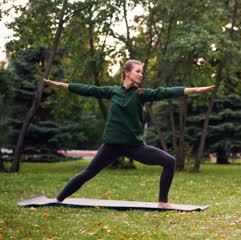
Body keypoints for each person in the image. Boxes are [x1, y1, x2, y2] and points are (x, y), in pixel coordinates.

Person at [44, 59, 215, 208]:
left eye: (142, 72)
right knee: (88, 173)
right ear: (127, 72)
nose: (141, 75)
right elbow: (89, 89)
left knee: (169, 162)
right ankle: (58, 199)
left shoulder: (140, 94)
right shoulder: (113, 91)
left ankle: (163, 201)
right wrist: (61, 85)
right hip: (111, 145)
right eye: (138, 71)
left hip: (134, 146)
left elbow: (166, 92)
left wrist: (196, 90)